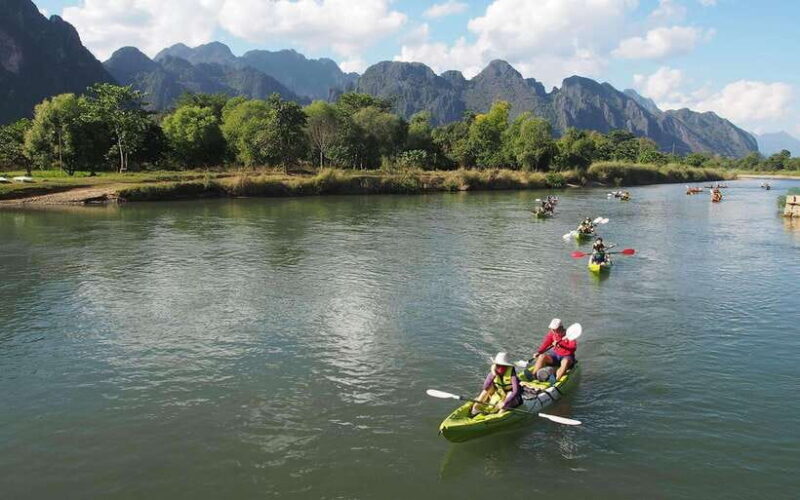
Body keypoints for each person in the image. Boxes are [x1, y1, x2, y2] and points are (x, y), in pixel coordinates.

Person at [471, 352, 522, 417]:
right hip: (499, 391)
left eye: (503, 366)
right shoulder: (493, 372)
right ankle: (475, 408)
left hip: (510, 395)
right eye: (498, 365)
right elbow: (485, 387)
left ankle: (498, 415)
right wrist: (493, 374)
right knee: (487, 389)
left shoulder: (513, 375)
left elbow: (515, 391)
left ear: (507, 366)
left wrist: (504, 403)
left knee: (509, 395)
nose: (500, 368)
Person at [530, 319, 577, 384]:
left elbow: (573, 348)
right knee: (541, 356)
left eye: (554, 329)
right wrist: (539, 352)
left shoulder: (569, 335)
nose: (552, 330)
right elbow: (545, 343)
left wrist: (561, 345)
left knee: (565, 362)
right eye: (552, 329)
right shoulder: (552, 333)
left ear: (561, 328)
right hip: (555, 356)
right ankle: (533, 376)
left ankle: (556, 381)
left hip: (567, 357)